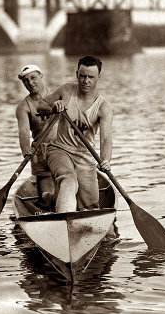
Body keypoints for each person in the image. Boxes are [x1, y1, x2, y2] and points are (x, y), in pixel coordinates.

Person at [36, 56, 113, 213]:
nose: (86, 81)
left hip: (85, 156)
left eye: (91, 77)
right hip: (59, 150)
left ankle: (51, 200)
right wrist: (53, 108)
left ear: (99, 77)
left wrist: (105, 160)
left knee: (90, 207)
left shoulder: (103, 107)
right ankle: (62, 219)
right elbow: (40, 106)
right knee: (69, 180)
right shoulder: (66, 91)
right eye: (82, 76)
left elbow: (105, 139)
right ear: (77, 74)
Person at [16, 64, 57, 205]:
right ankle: (51, 199)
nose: (30, 83)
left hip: (64, 148)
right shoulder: (23, 107)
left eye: (33, 78)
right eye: (26, 80)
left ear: (41, 76)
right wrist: (26, 150)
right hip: (41, 154)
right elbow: (23, 132)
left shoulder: (59, 96)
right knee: (47, 198)